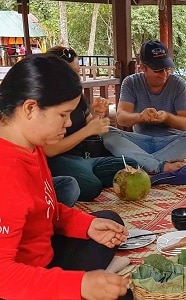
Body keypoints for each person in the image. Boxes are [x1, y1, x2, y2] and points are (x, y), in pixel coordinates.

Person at [0, 54, 131, 299]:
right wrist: (78, 285)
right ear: (30, 108)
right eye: (63, 115)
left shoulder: (31, 144)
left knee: (107, 221)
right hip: (15, 281)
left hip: (43, 256)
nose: (69, 122)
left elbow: (47, 210)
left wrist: (86, 225)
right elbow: (2, 276)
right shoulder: (5, 173)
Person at [44, 46, 138, 203]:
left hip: (84, 158)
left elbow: (91, 127)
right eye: (71, 73)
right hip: (58, 159)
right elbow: (49, 150)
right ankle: (72, 180)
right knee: (91, 187)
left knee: (130, 165)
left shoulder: (76, 96)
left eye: (78, 71)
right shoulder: (45, 102)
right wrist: (87, 131)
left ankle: (84, 173)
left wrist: (99, 114)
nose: (77, 77)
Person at [102, 40, 186, 174]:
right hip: (140, 142)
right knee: (106, 132)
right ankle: (160, 166)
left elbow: (185, 124)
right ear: (143, 68)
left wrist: (167, 117)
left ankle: (143, 164)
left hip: (171, 143)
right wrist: (141, 117)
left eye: (167, 68)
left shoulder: (178, 84)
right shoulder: (131, 82)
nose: (164, 73)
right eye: (158, 70)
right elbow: (121, 118)